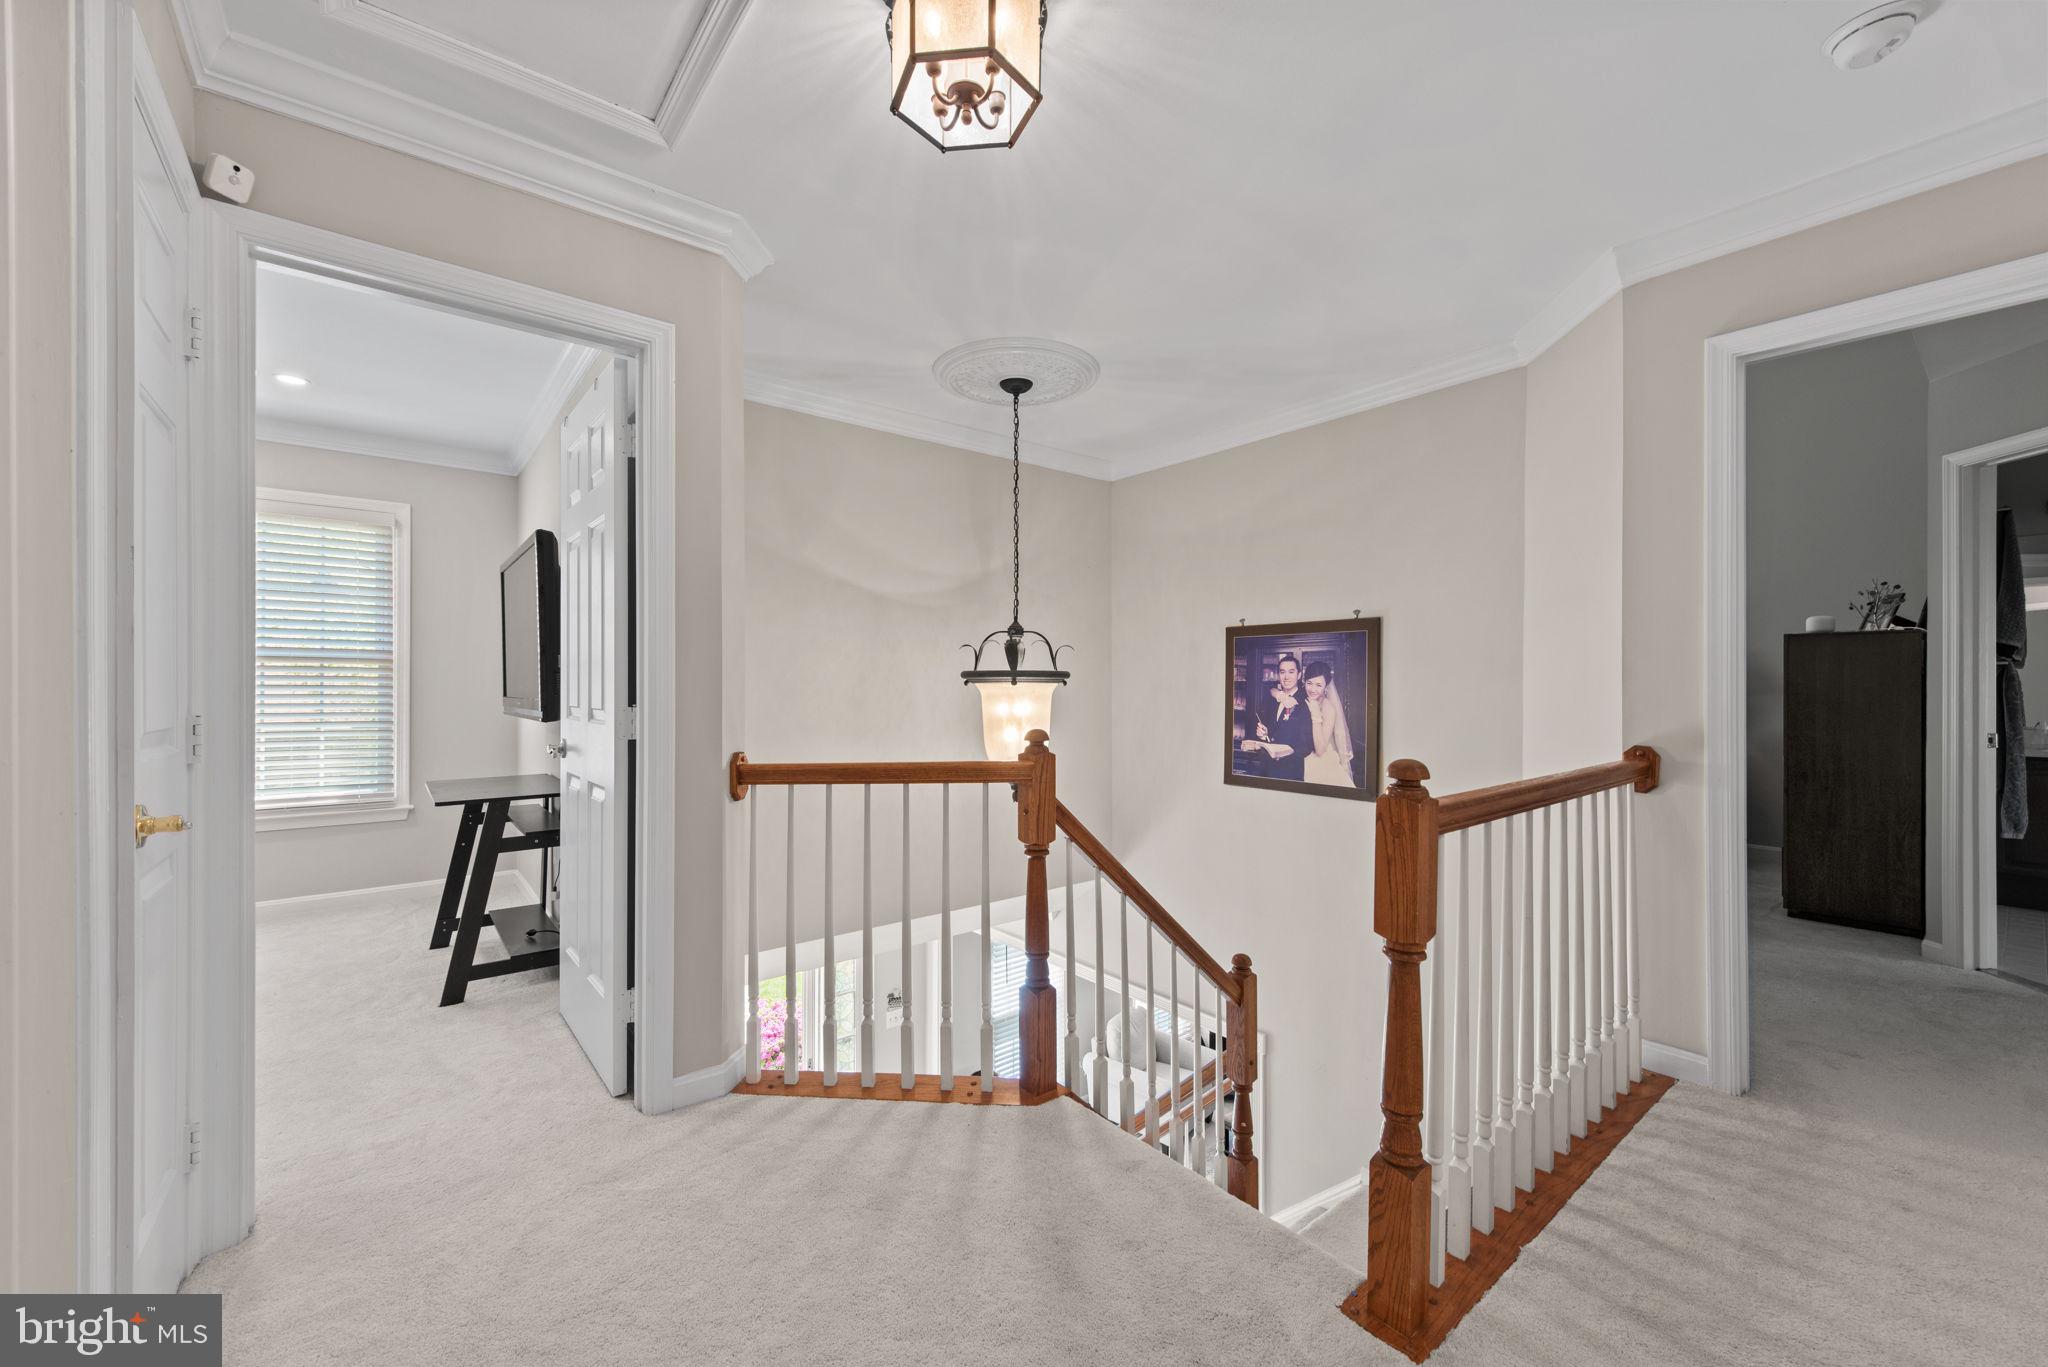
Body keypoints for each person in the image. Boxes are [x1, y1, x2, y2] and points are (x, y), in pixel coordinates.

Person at [1240, 653, 1314, 782]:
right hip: (1265, 770)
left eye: (1291, 672)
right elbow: (1269, 732)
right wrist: (1264, 735)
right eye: (1282, 672)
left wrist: (1284, 754)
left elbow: (1307, 745)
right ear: (1278, 675)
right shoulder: (1271, 700)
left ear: (1299, 675)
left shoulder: (1304, 703)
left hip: (1290, 773)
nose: (1286, 677)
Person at [1301, 660, 1355, 788]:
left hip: (1321, 762)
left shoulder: (1329, 708)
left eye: (1319, 685)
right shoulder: (1303, 699)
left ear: (1326, 686)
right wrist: (1278, 693)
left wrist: (1315, 714)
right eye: (1309, 683)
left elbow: (1320, 750)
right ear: (1304, 682)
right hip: (1301, 756)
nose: (1313, 689)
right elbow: (1274, 690)